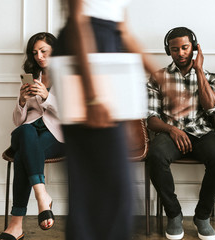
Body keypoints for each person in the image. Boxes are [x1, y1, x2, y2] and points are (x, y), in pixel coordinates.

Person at [53, 0, 168, 239]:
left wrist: (162, 78)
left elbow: (124, 31)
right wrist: (92, 97)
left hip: (109, 57)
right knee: (96, 184)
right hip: (85, 57)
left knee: (114, 184)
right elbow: (77, 23)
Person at [146, 27, 215, 240]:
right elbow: (152, 119)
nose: (181, 53)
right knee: (155, 156)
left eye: (185, 48)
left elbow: (212, 109)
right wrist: (172, 130)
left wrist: (199, 70)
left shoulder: (209, 76)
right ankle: (174, 214)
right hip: (170, 133)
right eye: (175, 49)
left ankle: (202, 216)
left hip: (202, 132)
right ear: (168, 51)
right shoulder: (158, 77)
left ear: (194, 47)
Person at [0, 32, 64, 240]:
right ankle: (42, 195)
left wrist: (47, 97)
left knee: (21, 157)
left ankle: (16, 225)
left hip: (56, 135)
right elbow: (18, 121)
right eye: (35, 53)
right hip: (27, 131)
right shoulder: (33, 76)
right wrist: (22, 101)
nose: (39, 56)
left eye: (44, 51)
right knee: (25, 130)